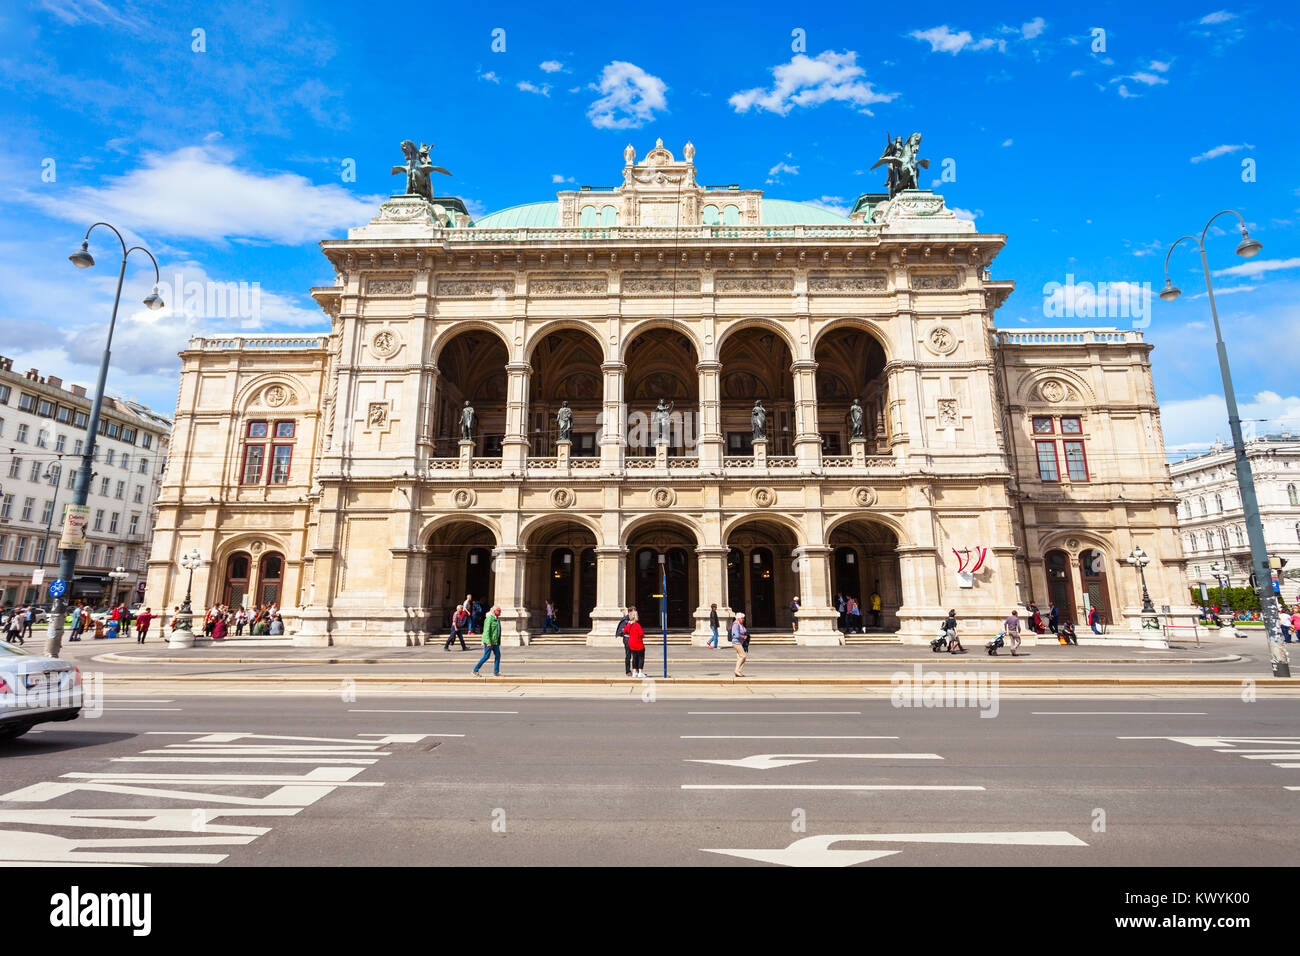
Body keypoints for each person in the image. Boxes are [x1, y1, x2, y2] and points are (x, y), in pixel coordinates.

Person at [473, 604, 502, 677]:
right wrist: (488, 642)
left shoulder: (497, 619)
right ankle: (475, 670)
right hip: (489, 641)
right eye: (499, 611)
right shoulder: (489, 619)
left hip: (495, 642)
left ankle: (496, 672)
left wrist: (498, 641)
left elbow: (498, 631)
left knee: (498, 655)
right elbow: (486, 631)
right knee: (486, 656)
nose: (500, 612)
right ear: (494, 611)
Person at [625, 609, 646, 679]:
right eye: (637, 615)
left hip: (631, 643)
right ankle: (640, 672)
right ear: (634, 616)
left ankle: (634, 672)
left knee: (634, 657)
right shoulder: (637, 625)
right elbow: (641, 633)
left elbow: (625, 631)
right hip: (638, 643)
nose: (638, 616)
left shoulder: (628, 624)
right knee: (641, 657)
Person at [730, 612, 749, 677]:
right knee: (743, 656)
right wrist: (743, 636)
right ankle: (737, 670)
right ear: (738, 618)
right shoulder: (736, 624)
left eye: (743, 618)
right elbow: (736, 634)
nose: (743, 619)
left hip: (740, 642)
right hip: (736, 642)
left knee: (739, 657)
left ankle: (738, 672)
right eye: (742, 618)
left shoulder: (740, 624)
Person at [616, 607, 632, 676]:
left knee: (635, 655)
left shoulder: (633, 620)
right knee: (628, 655)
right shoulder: (626, 620)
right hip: (627, 639)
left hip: (633, 639)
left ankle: (636, 670)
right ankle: (628, 671)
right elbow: (622, 631)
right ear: (630, 612)